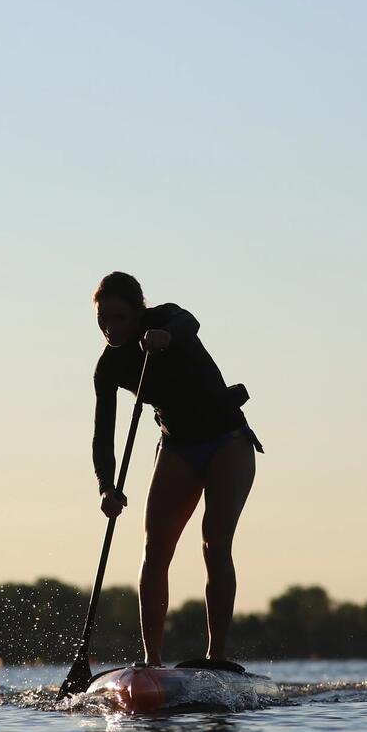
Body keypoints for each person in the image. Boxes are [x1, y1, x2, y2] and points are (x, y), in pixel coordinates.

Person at [91, 272, 261, 670]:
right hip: (177, 447)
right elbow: (103, 434)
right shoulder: (109, 366)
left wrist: (166, 337)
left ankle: (215, 656)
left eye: (119, 318)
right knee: (155, 551)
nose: (110, 328)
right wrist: (106, 486)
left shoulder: (166, 318)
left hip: (227, 441)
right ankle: (152, 662)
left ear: (139, 312)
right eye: (103, 319)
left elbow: (189, 322)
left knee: (213, 543)